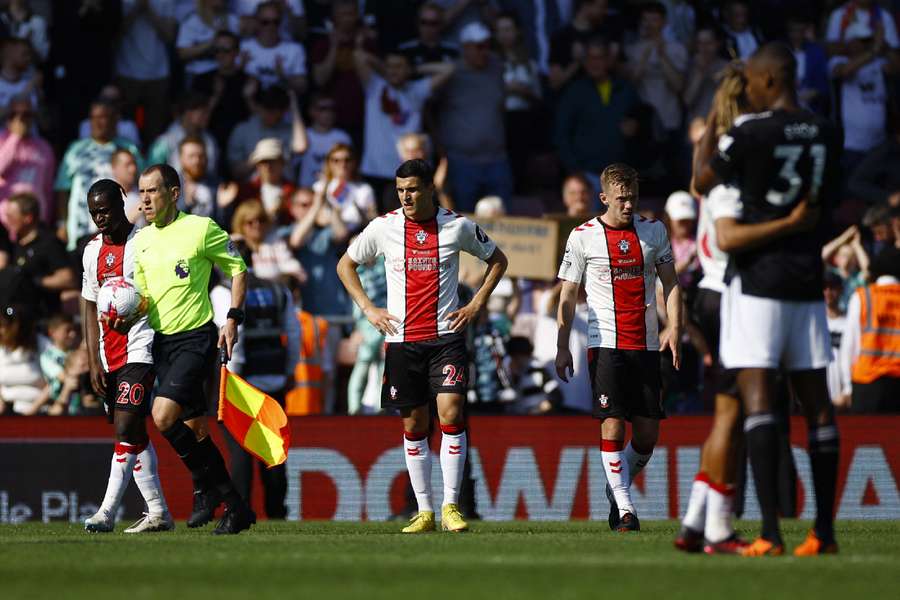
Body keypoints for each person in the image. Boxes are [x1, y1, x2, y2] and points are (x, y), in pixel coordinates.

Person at [693, 42, 842, 556]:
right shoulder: (827, 128)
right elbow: (828, 201)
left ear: (769, 81)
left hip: (758, 283)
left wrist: (720, 116)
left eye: (754, 83)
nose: (751, 91)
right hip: (807, 278)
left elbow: (704, 179)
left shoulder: (750, 132)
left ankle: (772, 533)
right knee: (817, 405)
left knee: (757, 404)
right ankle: (824, 531)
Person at [336, 158, 508, 533]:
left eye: (412, 189)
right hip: (401, 341)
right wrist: (368, 308)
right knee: (414, 423)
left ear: (430, 187)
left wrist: (477, 303)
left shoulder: (457, 226)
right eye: (400, 191)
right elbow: (345, 265)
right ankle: (425, 511)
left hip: (446, 337)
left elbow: (498, 259)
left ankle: (451, 507)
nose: (406, 197)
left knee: (451, 411)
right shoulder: (383, 227)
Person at [127, 163, 254, 534]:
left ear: (173, 193)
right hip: (161, 342)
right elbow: (146, 298)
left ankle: (221, 497)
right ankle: (221, 497)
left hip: (196, 338)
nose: (145, 199)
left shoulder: (201, 228)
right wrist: (125, 314)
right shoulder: (143, 240)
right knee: (195, 430)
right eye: (142, 191)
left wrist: (232, 318)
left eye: (153, 191)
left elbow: (238, 268)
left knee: (162, 416)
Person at [556, 162, 682, 533]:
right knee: (611, 427)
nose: (628, 206)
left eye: (633, 198)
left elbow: (672, 284)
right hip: (605, 344)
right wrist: (562, 346)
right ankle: (625, 509)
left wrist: (675, 326)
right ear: (604, 198)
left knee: (646, 436)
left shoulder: (654, 231)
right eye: (621, 199)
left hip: (644, 344)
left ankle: (617, 488)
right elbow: (567, 295)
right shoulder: (583, 236)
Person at [80, 179, 173, 533]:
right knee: (133, 432)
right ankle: (159, 512)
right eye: (93, 213)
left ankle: (106, 512)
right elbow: (89, 306)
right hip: (109, 353)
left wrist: (141, 306)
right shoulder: (91, 252)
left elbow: (163, 289)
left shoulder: (145, 243)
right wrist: (93, 360)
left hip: (141, 346)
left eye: (105, 210)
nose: (100, 218)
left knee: (125, 425)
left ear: (122, 205)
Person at [211, 241, 298, 519]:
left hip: (242, 380)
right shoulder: (277, 289)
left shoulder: (223, 291)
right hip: (273, 378)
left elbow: (235, 334)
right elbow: (294, 335)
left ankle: (241, 509)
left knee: (240, 450)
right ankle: (277, 512)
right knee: (273, 449)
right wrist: (288, 371)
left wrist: (232, 378)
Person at [355, 44, 455, 198]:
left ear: (408, 69)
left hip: (407, 172)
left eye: (398, 66)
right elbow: (358, 56)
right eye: (390, 66)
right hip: (375, 171)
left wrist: (415, 70)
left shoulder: (417, 90)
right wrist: (385, 70)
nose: (393, 70)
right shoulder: (375, 86)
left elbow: (449, 69)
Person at [437, 21, 513, 212]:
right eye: (479, 46)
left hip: (496, 158)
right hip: (462, 161)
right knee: (465, 220)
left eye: (487, 45)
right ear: (466, 48)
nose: (484, 51)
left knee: (503, 218)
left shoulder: (496, 68)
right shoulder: (451, 73)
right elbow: (427, 106)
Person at [554, 37, 640, 201]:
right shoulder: (574, 92)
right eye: (590, 58)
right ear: (584, 62)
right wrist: (575, 172)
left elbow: (640, 128)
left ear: (609, 60)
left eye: (599, 57)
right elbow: (561, 135)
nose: (595, 63)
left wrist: (634, 130)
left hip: (619, 179)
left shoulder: (625, 90)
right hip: (586, 178)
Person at [55, 100, 143, 250]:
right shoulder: (76, 150)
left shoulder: (128, 148)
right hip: (80, 230)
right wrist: (62, 223)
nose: (98, 122)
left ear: (115, 120)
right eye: (94, 117)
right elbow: (62, 189)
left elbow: (143, 182)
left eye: (103, 117)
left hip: (117, 231)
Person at [838, 246, 900, 413]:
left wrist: (847, 388)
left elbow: (849, 345)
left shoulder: (862, 297)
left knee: (864, 437)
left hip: (866, 383)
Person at [829, 20, 896, 172]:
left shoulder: (879, 62)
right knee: (851, 191)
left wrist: (886, 47)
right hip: (851, 145)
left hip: (878, 144)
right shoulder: (838, 61)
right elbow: (844, 71)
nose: (866, 44)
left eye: (868, 40)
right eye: (862, 40)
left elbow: (896, 68)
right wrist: (874, 49)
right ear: (850, 42)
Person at [114, 0, 178, 145]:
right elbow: (114, 33)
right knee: (126, 130)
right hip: (127, 71)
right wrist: (137, 8)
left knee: (155, 132)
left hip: (159, 73)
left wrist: (148, 9)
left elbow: (169, 35)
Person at [4, 192, 76, 318]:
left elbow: (68, 279)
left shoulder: (49, 243)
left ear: (28, 218)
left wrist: (35, 281)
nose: (7, 221)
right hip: (18, 317)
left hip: (44, 317)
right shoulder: (14, 245)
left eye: (11, 217)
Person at [0, 95, 55, 230]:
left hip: (36, 220)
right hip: (5, 221)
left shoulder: (44, 148)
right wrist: (15, 137)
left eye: (26, 114)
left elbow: (48, 188)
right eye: (15, 114)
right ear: (8, 117)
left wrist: (47, 218)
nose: (20, 120)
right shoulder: (1, 141)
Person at [230, 199, 304, 284]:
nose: (257, 225)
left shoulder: (276, 243)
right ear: (240, 224)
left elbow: (296, 272)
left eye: (261, 220)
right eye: (250, 222)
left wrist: (285, 278)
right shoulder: (234, 244)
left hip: (273, 293)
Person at [240, 0, 307, 94]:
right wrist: (240, 69)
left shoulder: (295, 50)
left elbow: (302, 87)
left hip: (282, 105)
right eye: (265, 22)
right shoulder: (243, 48)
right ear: (256, 22)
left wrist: (283, 77)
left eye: (276, 22)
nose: (270, 26)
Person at [147, 91, 218, 174]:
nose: (207, 116)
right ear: (188, 113)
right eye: (203, 112)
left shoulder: (210, 140)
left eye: (207, 112)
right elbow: (152, 174)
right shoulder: (164, 142)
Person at [311, 143, 376, 233]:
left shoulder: (365, 189)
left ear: (354, 162)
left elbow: (373, 221)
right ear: (329, 163)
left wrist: (361, 214)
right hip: (327, 233)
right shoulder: (320, 187)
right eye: (336, 160)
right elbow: (318, 219)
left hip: (357, 234)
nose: (343, 164)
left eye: (347, 160)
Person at [0, 303, 49, 415]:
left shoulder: (42, 344)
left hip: (38, 413)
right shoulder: (1, 348)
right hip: (6, 412)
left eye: (5, 326)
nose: (1, 330)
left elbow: (54, 381)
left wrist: (32, 411)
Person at [176, 0, 239, 84]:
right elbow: (182, 53)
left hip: (226, 75)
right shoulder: (192, 21)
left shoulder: (233, 19)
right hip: (198, 74)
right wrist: (212, 42)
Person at [297, 93, 352, 188]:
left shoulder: (343, 137)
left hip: (336, 193)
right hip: (307, 191)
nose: (328, 113)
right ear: (311, 111)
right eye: (323, 108)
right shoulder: (303, 136)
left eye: (331, 109)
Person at [398, 3, 459, 68]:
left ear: (441, 24)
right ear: (417, 23)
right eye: (423, 22)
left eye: (433, 23)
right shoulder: (405, 50)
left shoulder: (453, 50)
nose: (428, 28)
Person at [110, 149, 144, 226]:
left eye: (134, 164)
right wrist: (141, 207)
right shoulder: (107, 198)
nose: (133, 169)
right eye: (127, 165)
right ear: (114, 168)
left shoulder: (143, 192)